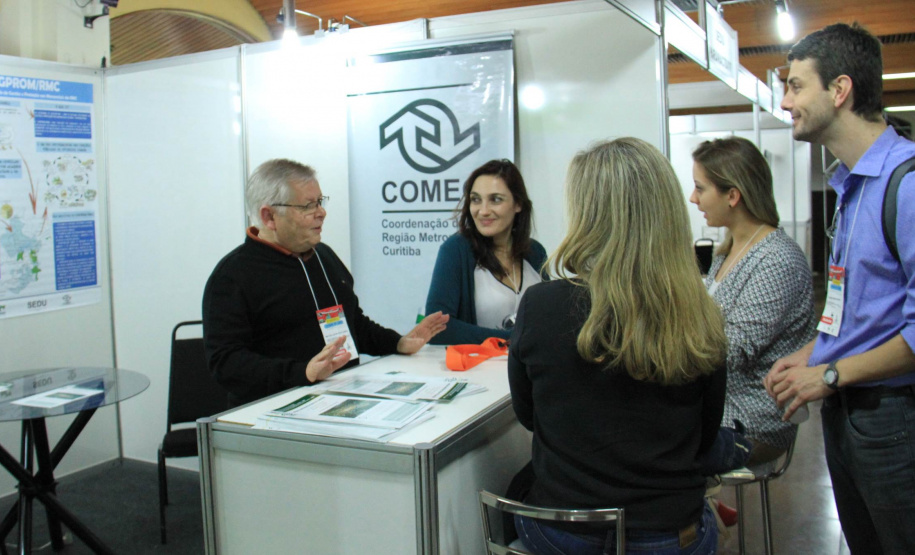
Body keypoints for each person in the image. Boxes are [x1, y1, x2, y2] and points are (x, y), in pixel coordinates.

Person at [508, 138, 727, 554]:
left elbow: (529, 415)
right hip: (669, 533)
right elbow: (705, 435)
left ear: (586, 214)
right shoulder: (699, 313)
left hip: (564, 529)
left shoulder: (540, 305)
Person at [763, 23, 915, 553]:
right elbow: (865, 309)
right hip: (850, 412)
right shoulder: (852, 185)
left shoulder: (906, 186)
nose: (786, 102)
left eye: (796, 86)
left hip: (894, 418)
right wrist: (815, 351)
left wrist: (828, 373)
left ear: (840, 90)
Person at [202, 159, 449, 407]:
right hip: (274, 411)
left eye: (320, 201)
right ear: (269, 217)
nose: (321, 212)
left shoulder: (324, 256)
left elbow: (353, 323)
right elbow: (226, 363)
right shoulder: (232, 276)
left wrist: (397, 343)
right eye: (308, 205)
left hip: (343, 399)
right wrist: (302, 373)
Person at [690, 136, 818, 465]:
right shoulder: (728, 251)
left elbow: (732, 349)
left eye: (700, 188)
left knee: (648, 451)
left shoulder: (777, 260)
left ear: (732, 196)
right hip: (715, 412)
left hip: (749, 424)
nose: (693, 198)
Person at [425, 159, 547, 345]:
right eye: (476, 199)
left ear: (518, 204)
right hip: (478, 363)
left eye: (495, 199)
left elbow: (548, 318)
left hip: (531, 362)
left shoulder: (535, 252)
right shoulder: (456, 249)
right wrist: (509, 339)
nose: (483, 211)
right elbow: (438, 328)